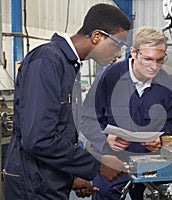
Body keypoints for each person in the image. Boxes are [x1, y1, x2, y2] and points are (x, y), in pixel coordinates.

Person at [3, 3, 131, 200]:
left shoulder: (69, 66)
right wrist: (97, 164)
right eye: (117, 45)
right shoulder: (47, 61)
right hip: (32, 187)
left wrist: (69, 179)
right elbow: (38, 139)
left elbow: (60, 131)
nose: (119, 54)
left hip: (48, 180)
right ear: (97, 36)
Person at [92, 26, 172, 200]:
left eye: (160, 60)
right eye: (148, 59)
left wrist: (161, 140)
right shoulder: (109, 78)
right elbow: (90, 119)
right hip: (112, 161)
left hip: (150, 164)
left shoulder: (167, 85)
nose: (154, 66)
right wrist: (106, 139)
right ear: (133, 52)